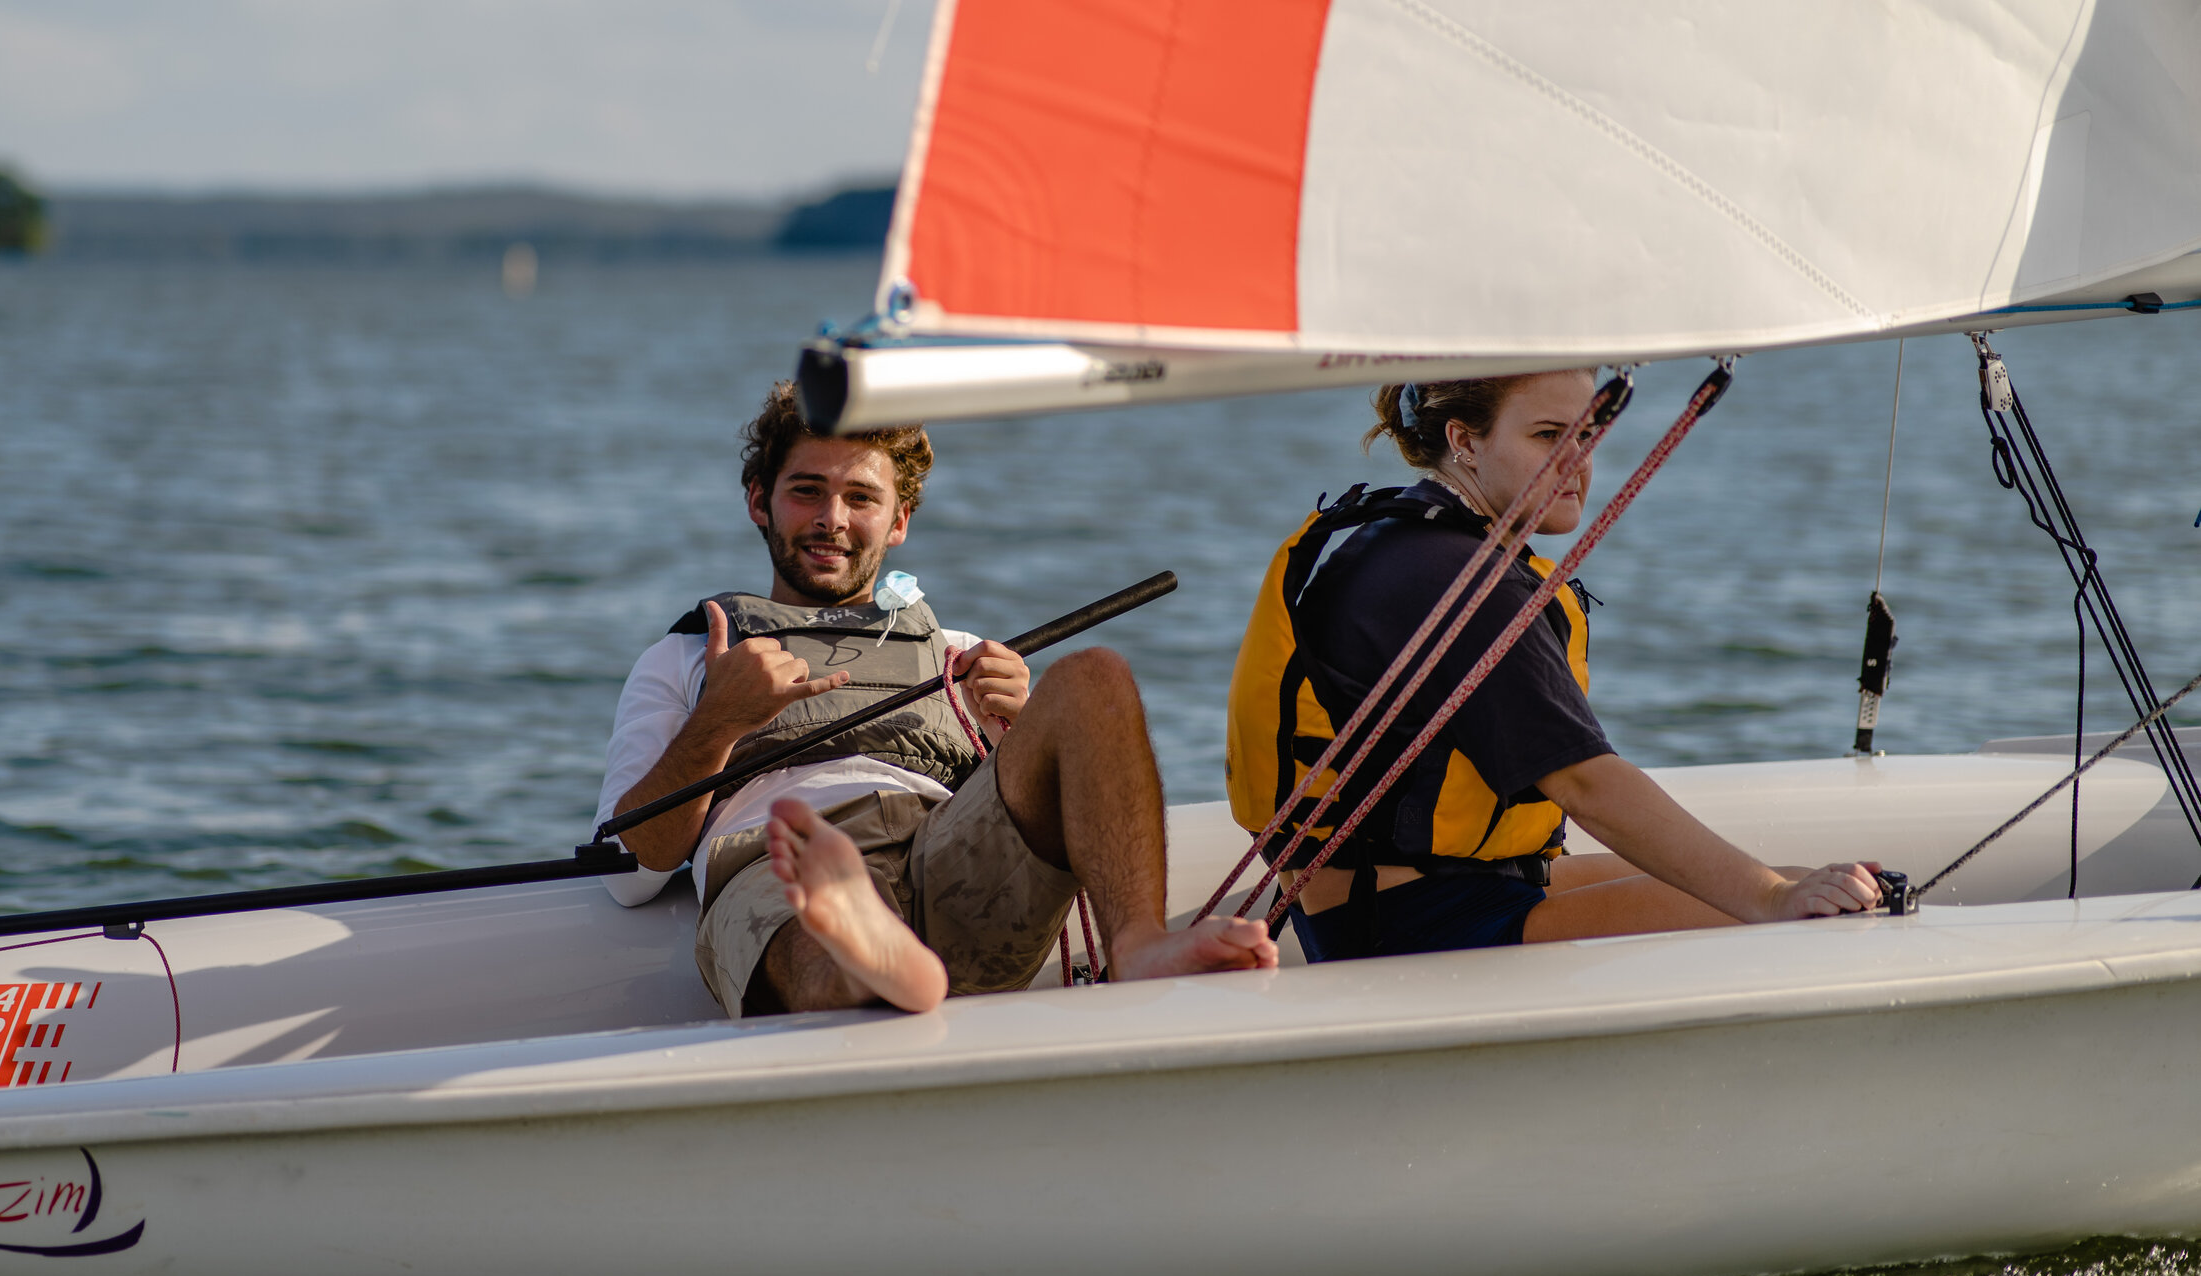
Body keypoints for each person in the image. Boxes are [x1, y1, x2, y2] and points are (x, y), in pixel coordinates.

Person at [598, 381, 1276, 1016]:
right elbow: (631, 874)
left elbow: (1036, 805)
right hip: (781, 854)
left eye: (861, 497)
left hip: (942, 847)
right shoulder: (688, 658)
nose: (832, 518)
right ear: (758, 500)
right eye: (807, 490)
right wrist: (718, 722)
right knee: (807, 925)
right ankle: (865, 952)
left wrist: (1019, 726)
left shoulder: (961, 653)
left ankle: (1138, 945)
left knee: (1094, 673)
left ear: (899, 522)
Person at [1225, 370, 1882, 961]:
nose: (1579, 461)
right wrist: (1767, 899)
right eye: (1547, 435)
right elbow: (1587, 785)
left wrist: (1777, 887)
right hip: (1414, 927)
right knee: (1786, 912)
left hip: (1407, 900)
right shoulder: (1449, 576)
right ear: (1466, 440)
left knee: (1805, 881)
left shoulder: (1413, 541)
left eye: (1588, 434)